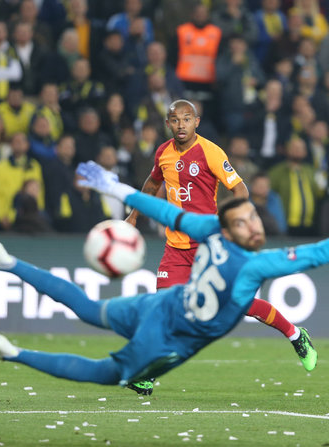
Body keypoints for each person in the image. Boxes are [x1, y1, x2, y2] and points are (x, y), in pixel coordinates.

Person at [0, 160, 329, 391]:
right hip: (170, 335)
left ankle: (5, 261)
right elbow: (322, 252)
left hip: (160, 307)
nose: (255, 227)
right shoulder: (254, 262)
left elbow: (166, 212)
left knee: (86, 308)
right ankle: (12, 348)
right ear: (228, 226)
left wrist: (116, 187)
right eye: (245, 222)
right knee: (110, 373)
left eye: (254, 219)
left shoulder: (212, 231)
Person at [125, 99, 315, 395]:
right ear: (168, 123)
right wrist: (134, 216)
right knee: (162, 309)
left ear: (196, 122)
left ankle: (295, 334)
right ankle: (147, 374)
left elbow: (240, 189)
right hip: (175, 248)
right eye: (175, 120)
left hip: (208, 246)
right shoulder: (163, 152)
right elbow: (152, 184)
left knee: (241, 304)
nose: (181, 125)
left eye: (187, 119)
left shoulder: (211, 152)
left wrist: (235, 222)